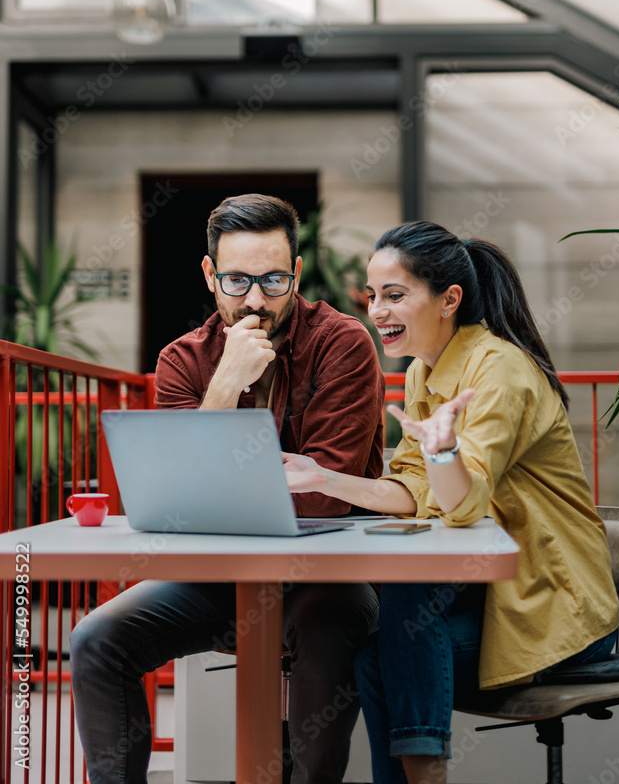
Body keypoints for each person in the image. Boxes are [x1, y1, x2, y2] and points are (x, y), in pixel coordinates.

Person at [284, 220, 619, 784]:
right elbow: (416, 494)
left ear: (449, 300)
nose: (377, 311)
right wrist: (324, 479)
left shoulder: (500, 370)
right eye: (372, 296)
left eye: (394, 295)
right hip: (493, 598)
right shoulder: (423, 371)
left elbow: (461, 507)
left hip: (557, 609)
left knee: (404, 605)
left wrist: (443, 457)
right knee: (379, 652)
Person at [70, 193, 385, 784]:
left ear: (296, 273)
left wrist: (211, 490)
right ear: (211, 274)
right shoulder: (184, 360)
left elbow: (325, 494)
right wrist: (225, 385)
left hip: (324, 574)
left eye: (273, 279)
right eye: (238, 280)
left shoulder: (342, 344)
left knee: (328, 624)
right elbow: (173, 495)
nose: (257, 300)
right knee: (95, 640)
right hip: (215, 579)